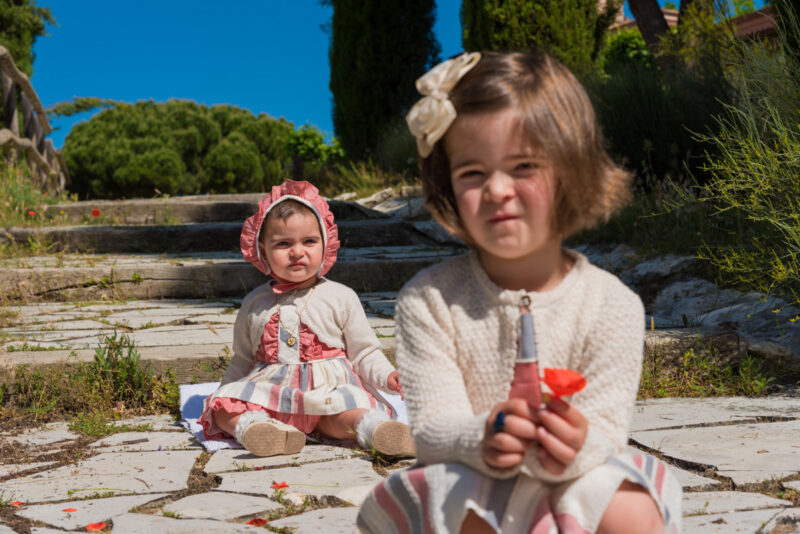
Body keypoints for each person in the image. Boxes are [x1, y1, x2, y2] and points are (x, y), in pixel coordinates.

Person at [357, 52, 681, 534]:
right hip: (474, 471)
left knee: (631, 505)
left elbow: (607, 431)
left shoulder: (612, 305)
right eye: (472, 173)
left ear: (570, 171)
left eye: (523, 165)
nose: (497, 190)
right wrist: (481, 435)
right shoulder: (428, 301)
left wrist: (576, 441)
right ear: (446, 185)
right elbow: (431, 430)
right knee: (465, 508)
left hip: (573, 475)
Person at [199, 180, 415, 459]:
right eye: (283, 244)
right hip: (272, 395)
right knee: (222, 409)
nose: (297, 252)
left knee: (347, 414)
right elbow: (242, 358)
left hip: (327, 395)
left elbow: (364, 352)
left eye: (309, 241)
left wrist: (388, 376)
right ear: (262, 250)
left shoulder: (340, 296)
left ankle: (375, 430)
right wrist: (226, 393)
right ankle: (256, 428)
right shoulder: (254, 303)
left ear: (327, 243)